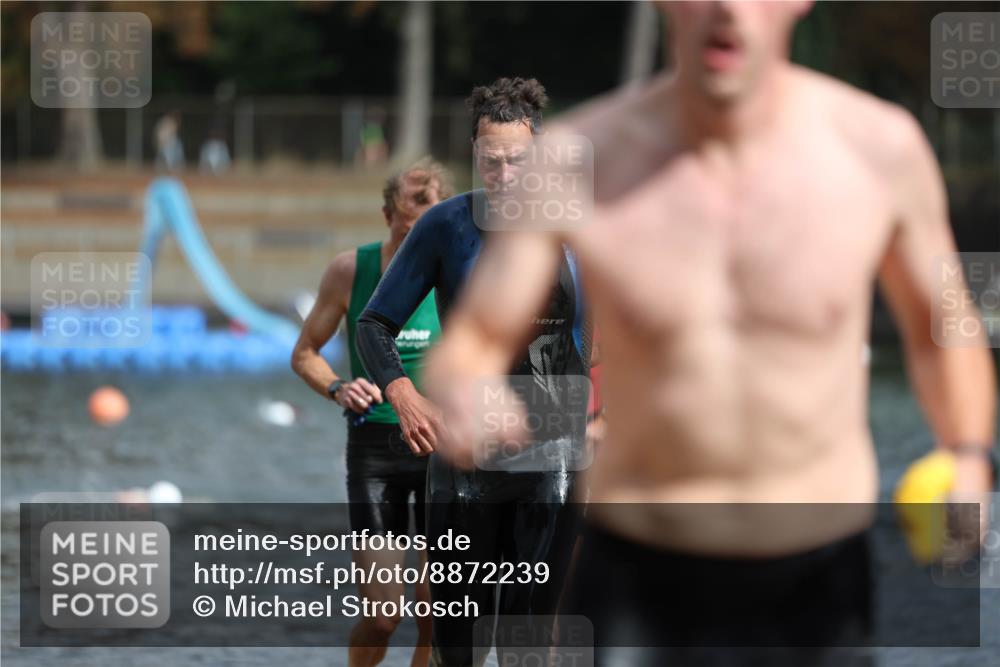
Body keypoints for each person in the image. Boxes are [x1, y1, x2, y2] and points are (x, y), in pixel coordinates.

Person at [423, 2, 997, 665]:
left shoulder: (880, 151)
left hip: (818, 583)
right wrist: (468, 390)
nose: (727, 8)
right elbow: (476, 336)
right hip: (638, 575)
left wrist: (970, 452)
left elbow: (945, 329)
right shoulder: (578, 161)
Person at [355, 77, 593, 667]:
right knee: (455, 637)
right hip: (464, 454)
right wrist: (403, 392)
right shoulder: (445, 226)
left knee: (528, 633)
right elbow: (374, 323)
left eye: (517, 161)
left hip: (554, 451)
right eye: (490, 160)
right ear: (474, 153)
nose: (504, 173)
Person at [291, 158, 453, 667]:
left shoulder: (460, 272)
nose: (417, 245)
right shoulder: (350, 271)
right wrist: (339, 388)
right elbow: (304, 354)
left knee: (436, 611)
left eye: (427, 231)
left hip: (443, 452)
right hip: (374, 452)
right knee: (384, 614)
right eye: (407, 231)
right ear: (387, 216)